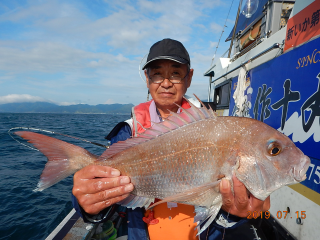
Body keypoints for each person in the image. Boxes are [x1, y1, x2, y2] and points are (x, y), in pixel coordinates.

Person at [72, 38, 270, 240]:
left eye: (175, 73)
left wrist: (237, 214)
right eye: (157, 74)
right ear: (147, 78)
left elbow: (229, 218)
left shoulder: (214, 130)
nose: (166, 83)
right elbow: (108, 198)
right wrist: (88, 206)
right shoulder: (128, 132)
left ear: (189, 77)